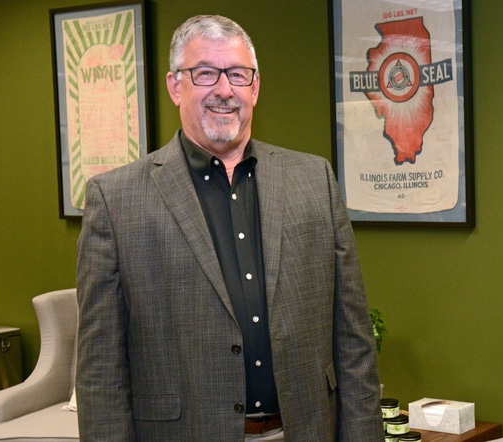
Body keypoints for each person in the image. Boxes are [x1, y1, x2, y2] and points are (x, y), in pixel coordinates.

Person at [76, 14, 382, 441]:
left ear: (254, 88)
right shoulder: (116, 200)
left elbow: (353, 342)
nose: (224, 89)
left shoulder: (315, 180)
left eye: (238, 74)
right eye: (205, 74)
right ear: (174, 86)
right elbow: (100, 370)